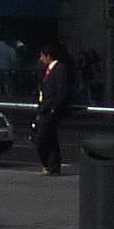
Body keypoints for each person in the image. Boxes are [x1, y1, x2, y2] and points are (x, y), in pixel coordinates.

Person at [32, 40, 75, 176]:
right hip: (44, 107)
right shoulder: (47, 70)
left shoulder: (60, 69)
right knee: (50, 138)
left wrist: (54, 108)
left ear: (48, 56)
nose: (41, 59)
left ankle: (50, 164)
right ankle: (52, 166)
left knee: (42, 137)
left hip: (51, 109)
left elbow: (62, 91)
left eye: (42, 56)